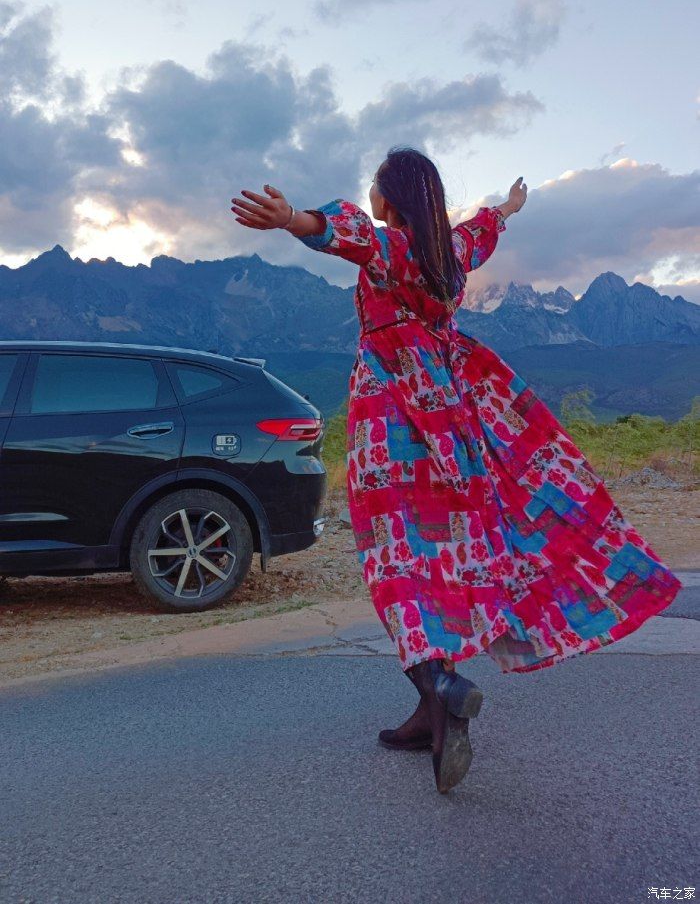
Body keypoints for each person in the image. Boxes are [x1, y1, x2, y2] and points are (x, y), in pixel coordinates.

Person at [230, 145, 682, 794]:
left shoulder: (396, 248)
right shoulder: (451, 252)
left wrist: (297, 220)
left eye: (377, 192)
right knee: (441, 561)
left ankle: (440, 681)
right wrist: (511, 205)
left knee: (397, 566)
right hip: (455, 422)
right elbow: (485, 229)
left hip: (395, 428)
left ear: (390, 200)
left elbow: (356, 238)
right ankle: (434, 720)